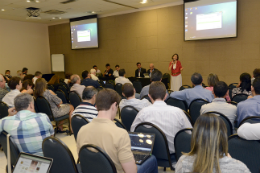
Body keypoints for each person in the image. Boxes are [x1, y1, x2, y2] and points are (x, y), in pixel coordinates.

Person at [77, 89, 158, 173]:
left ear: (96, 106)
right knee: (152, 159)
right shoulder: (120, 134)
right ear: (114, 105)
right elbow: (131, 171)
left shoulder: (82, 130)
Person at [131, 81, 192, 155]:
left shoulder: (143, 112)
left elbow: (133, 132)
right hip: (174, 154)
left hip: (151, 154)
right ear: (166, 96)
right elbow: (190, 133)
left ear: (149, 96)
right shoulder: (178, 112)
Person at [175, 113, 250, 173]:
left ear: (195, 136)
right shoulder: (240, 168)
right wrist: (232, 162)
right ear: (223, 137)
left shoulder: (183, 162)